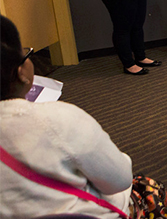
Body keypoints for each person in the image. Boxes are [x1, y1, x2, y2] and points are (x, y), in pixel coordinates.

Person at [0, 15, 134, 218]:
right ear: (20, 73)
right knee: (150, 190)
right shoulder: (58, 119)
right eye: (26, 54)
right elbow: (119, 180)